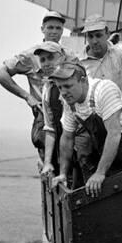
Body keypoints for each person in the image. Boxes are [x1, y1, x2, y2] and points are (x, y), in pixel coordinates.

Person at [50, 62, 122, 197]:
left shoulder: (104, 90)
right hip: (117, 154)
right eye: (60, 88)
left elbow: (114, 134)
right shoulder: (70, 101)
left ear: (83, 81)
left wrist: (100, 173)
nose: (63, 93)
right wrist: (63, 174)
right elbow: (67, 137)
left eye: (68, 86)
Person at [0, 11, 67, 162]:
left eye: (58, 28)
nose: (54, 32)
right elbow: (0, 74)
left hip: (66, 112)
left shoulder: (67, 54)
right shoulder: (31, 55)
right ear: (42, 29)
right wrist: (27, 96)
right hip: (44, 111)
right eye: (50, 27)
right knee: (43, 140)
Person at [33, 42, 78, 175]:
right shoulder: (47, 88)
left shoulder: (75, 80)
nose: (46, 63)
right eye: (42, 60)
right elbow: (50, 127)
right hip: (64, 150)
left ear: (62, 57)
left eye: (50, 58)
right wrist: (47, 162)